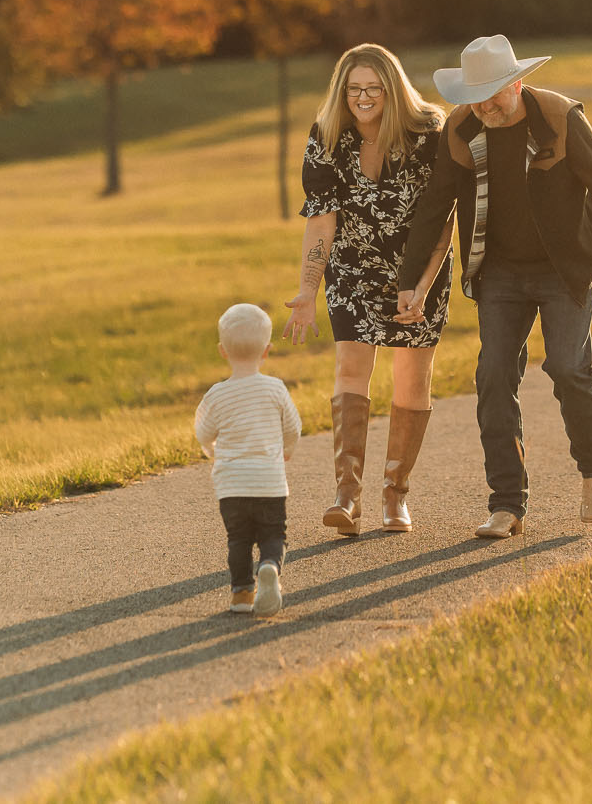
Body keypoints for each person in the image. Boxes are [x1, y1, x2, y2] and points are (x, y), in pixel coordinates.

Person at [396, 35, 592, 539]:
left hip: (563, 267)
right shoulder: (463, 128)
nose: (486, 105)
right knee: (492, 376)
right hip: (500, 271)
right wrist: (410, 282)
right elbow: (434, 207)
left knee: (567, 367)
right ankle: (506, 503)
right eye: (477, 94)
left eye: (495, 92)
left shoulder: (558, 117)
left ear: (517, 83)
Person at [286, 44, 454, 535]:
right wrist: (307, 290)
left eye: (373, 88)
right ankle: (347, 494)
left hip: (418, 274)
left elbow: (442, 217)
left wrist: (420, 286)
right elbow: (321, 223)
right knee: (349, 366)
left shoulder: (428, 132)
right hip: (353, 270)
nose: (362, 98)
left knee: (412, 378)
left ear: (392, 88)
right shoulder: (326, 137)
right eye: (353, 88)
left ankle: (395, 496)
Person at [194, 303, 302, 617]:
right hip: (269, 481)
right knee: (273, 535)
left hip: (231, 485)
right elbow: (293, 426)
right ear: (267, 351)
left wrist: (211, 450)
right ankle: (269, 565)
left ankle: (241, 595)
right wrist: (288, 449)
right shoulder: (275, 389)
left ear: (222, 351)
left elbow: (203, 431)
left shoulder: (216, 394)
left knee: (238, 539)